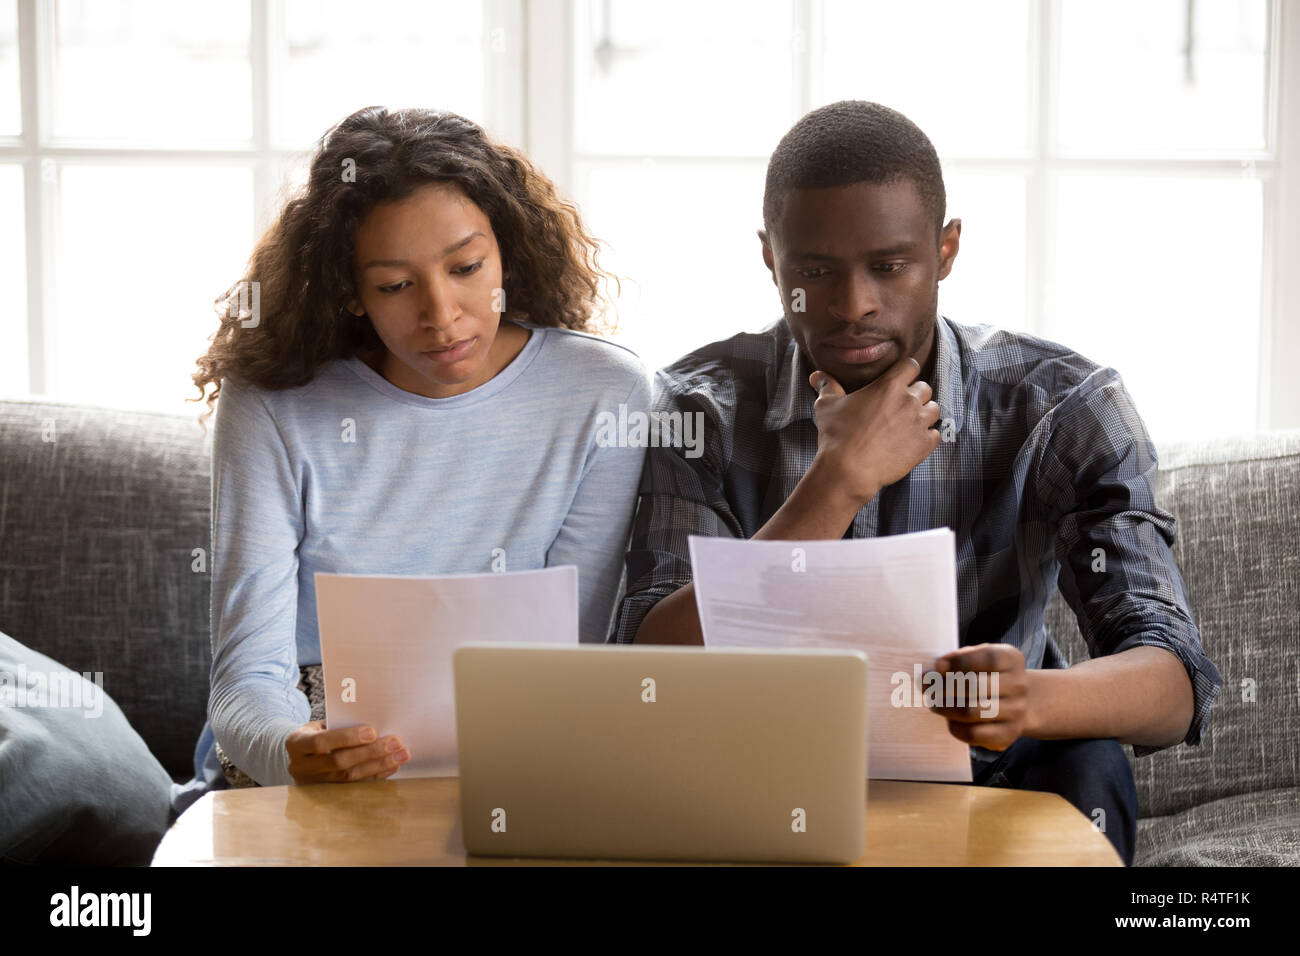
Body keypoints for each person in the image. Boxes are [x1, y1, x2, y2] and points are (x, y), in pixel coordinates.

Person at [613, 100, 1223, 867]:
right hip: (764, 777)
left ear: (946, 249)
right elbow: (645, 668)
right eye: (815, 272)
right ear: (771, 258)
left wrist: (1028, 698)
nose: (853, 304)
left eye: (889, 266)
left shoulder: (1061, 405)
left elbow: (1173, 683)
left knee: (1087, 755)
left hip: (997, 769)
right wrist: (837, 483)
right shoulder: (697, 407)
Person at [172, 106, 649, 815]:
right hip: (301, 747)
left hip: (512, 731)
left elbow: (575, 647)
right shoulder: (274, 402)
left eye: (466, 268)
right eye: (395, 285)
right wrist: (294, 753)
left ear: (507, 253)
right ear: (349, 291)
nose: (442, 314)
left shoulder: (605, 393)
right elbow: (246, 681)